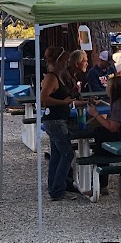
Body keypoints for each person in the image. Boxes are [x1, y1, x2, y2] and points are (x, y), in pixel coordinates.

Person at [38, 50, 83, 202]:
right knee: (67, 153)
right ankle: (58, 188)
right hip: (55, 120)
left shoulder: (58, 77)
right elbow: (44, 99)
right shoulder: (51, 78)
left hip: (58, 119)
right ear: (57, 62)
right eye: (64, 61)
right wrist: (64, 102)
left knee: (57, 154)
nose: (66, 63)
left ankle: (54, 187)